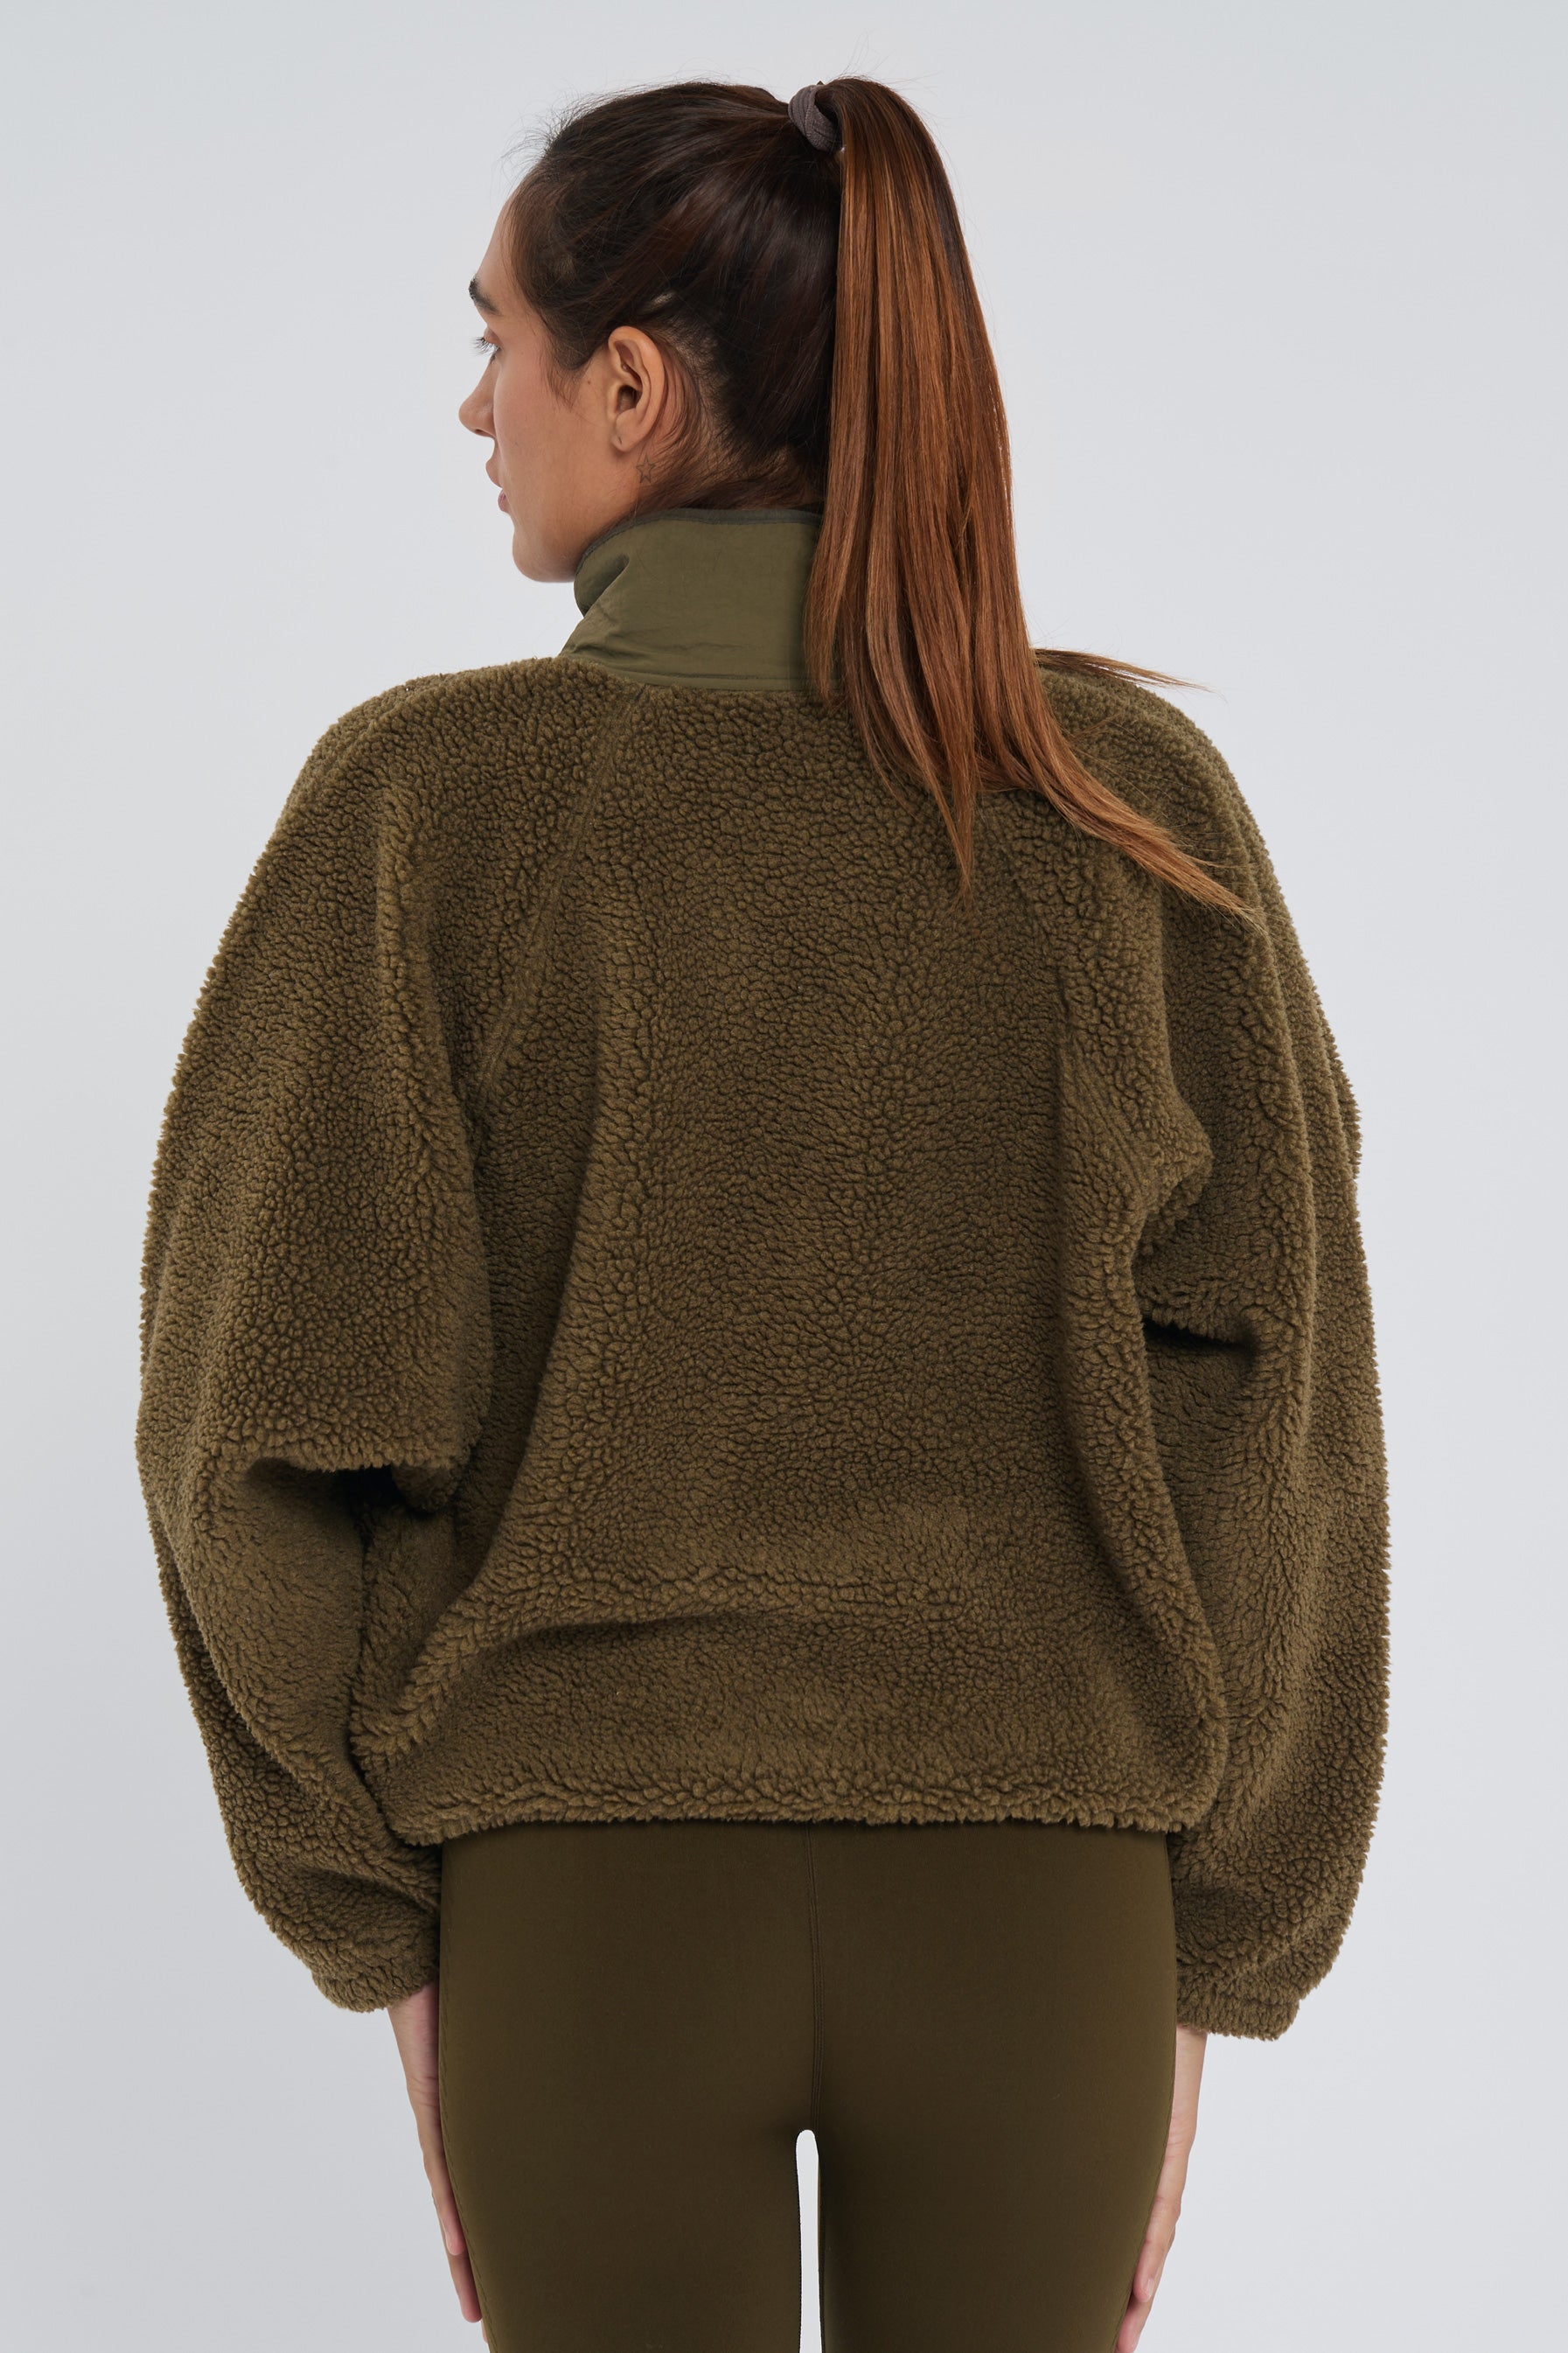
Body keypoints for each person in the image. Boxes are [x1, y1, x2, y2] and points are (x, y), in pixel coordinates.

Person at [136, 75, 1389, 2353]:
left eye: (498, 341)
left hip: (580, 1907)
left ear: (627, 386)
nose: (475, 405)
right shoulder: (1126, 810)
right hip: (1042, 1908)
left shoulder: (420, 813)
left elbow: (253, 1426)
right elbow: (1278, 1417)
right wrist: (1209, 1959)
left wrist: (386, 1932)